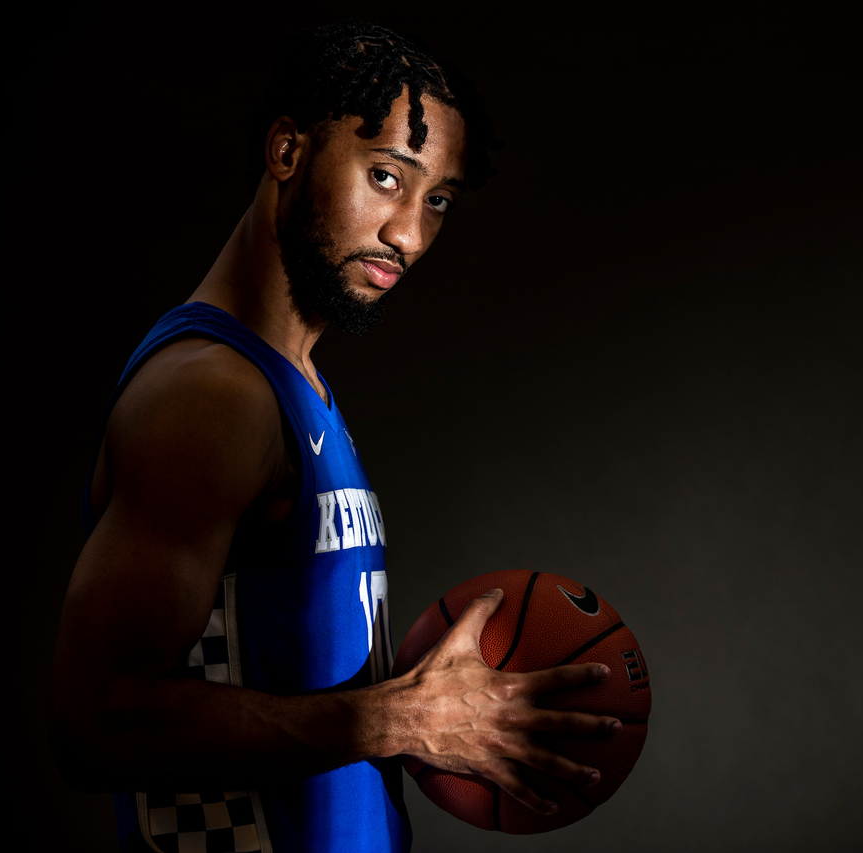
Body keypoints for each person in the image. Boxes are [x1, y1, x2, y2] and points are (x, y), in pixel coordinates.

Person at [50, 22, 620, 853]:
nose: (410, 235)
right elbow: (96, 721)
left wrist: (451, 708)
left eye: (438, 201)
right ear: (288, 151)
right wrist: (398, 717)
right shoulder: (211, 396)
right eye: (386, 177)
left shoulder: (294, 382)